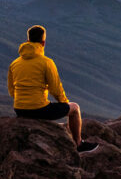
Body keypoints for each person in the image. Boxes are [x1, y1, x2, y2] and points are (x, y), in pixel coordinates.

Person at [8, 24, 98, 152]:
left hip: (19, 109)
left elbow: (12, 91)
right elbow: (55, 89)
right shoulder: (46, 62)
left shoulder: (15, 63)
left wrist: (24, 101)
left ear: (28, 41)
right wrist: (64, 104)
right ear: (43, 42)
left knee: (58, 108)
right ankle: (78, 144)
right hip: (39, 110)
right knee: (75, 108)